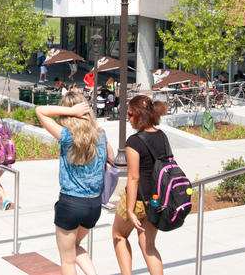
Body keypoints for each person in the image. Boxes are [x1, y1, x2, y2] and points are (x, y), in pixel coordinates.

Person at [35, 89, 113, 275]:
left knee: (67, 259)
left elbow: (40, 110)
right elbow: (110, 158)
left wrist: (70, 112)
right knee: (75, 246)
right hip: (94, 204)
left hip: (71, 203)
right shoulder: (100, 135)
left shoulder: (67, 136)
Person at [112, 95, 169, 275]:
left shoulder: (134, 142)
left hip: (137, 200)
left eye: (129, 114)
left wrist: (130, 210)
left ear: (138, 115)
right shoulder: (163, 137)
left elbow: (133, 178)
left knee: (119, 235)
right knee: (148, 247)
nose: (128, 119)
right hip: (156, 200)